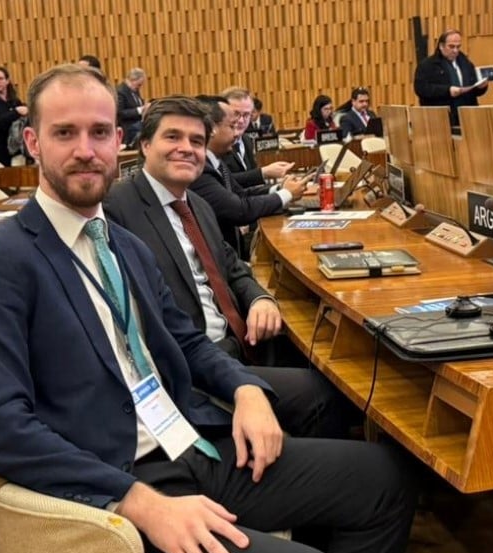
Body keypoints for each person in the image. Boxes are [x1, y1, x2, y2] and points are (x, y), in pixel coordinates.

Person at [0, 63, 415, 553]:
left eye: (99, 132)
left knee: (384, 479)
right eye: (65, 133)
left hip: (188, 444)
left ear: (119, 142)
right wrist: (138, 503)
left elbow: (188, 341)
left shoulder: (123, 244)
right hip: (117, 493)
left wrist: (247, 389)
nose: (86, 150)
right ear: (33, 143)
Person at [105, 96, 349, 439]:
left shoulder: (197, 204)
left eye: (196, 141)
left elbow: (231, 266)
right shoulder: (117, 208)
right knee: (324, 394)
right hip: (191, 368)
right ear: (145, 144)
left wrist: (261, 299)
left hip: (239, 342)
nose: (186, 149)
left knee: (332, 361)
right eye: (172, 137)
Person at [189, 96, 303, 255]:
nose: (237, 133)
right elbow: (239, 210)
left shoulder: (216, 161)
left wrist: (279, 188)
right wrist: (286, 194)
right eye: (232, 126)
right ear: (211, 129)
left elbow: (241, 194)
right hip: (222, 257)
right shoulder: (199, 169)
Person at [413, 29, 488, 126]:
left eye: (458, 47)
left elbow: (473, 89)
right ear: (441, 46)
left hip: (467, 117)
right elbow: (421, 89)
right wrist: (447, 91)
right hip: (441, 119)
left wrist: (481, 87)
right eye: (451, 47)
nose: (455, 50)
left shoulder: (466, 63)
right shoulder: (427, 65)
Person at [116, 68, 147, 147]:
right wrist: (139, 110)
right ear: (132, 80)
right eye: (139, 84)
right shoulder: (120, 91)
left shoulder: (134, 89)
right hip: (128, 128)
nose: (139, 87)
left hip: (137, 125)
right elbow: (120, 113)